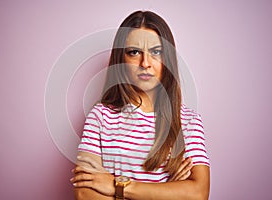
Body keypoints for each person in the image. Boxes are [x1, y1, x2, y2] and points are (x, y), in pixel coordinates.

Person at [71, 10, 210, 200]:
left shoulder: (188, 121)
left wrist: (117, 186)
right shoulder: (100, 116)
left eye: (156, 52)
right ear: (121, 59)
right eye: (134, 52)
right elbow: (84, 193)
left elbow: (198, 193)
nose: (145, 63)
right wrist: (167, 191)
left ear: (167, 59)